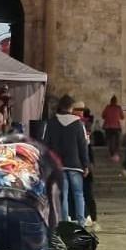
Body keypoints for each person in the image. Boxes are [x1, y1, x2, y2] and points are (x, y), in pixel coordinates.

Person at [44, 95, 92, 225]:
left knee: (63, 195)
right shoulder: (78, 124)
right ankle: (81, 221)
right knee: (78, 194)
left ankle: (65, 222)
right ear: (71, 107)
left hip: (59, 165)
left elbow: (46, 144)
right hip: (75, 164)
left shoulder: (52, 122)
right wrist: (86, 164)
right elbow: (83, 146)